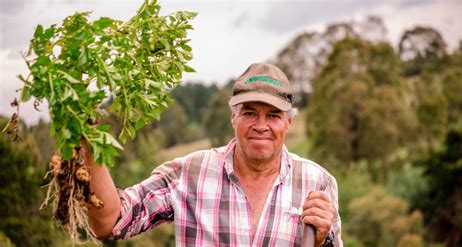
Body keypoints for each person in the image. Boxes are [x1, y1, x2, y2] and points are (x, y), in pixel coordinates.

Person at [83, 63, 343, 246]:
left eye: (273, 116)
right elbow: (111, 221)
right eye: (250, 112)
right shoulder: (189, 173)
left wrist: (323, 241)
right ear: (233, 117)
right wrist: (89, 139)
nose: (261, 125)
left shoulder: (317, 182)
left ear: (288, 123)